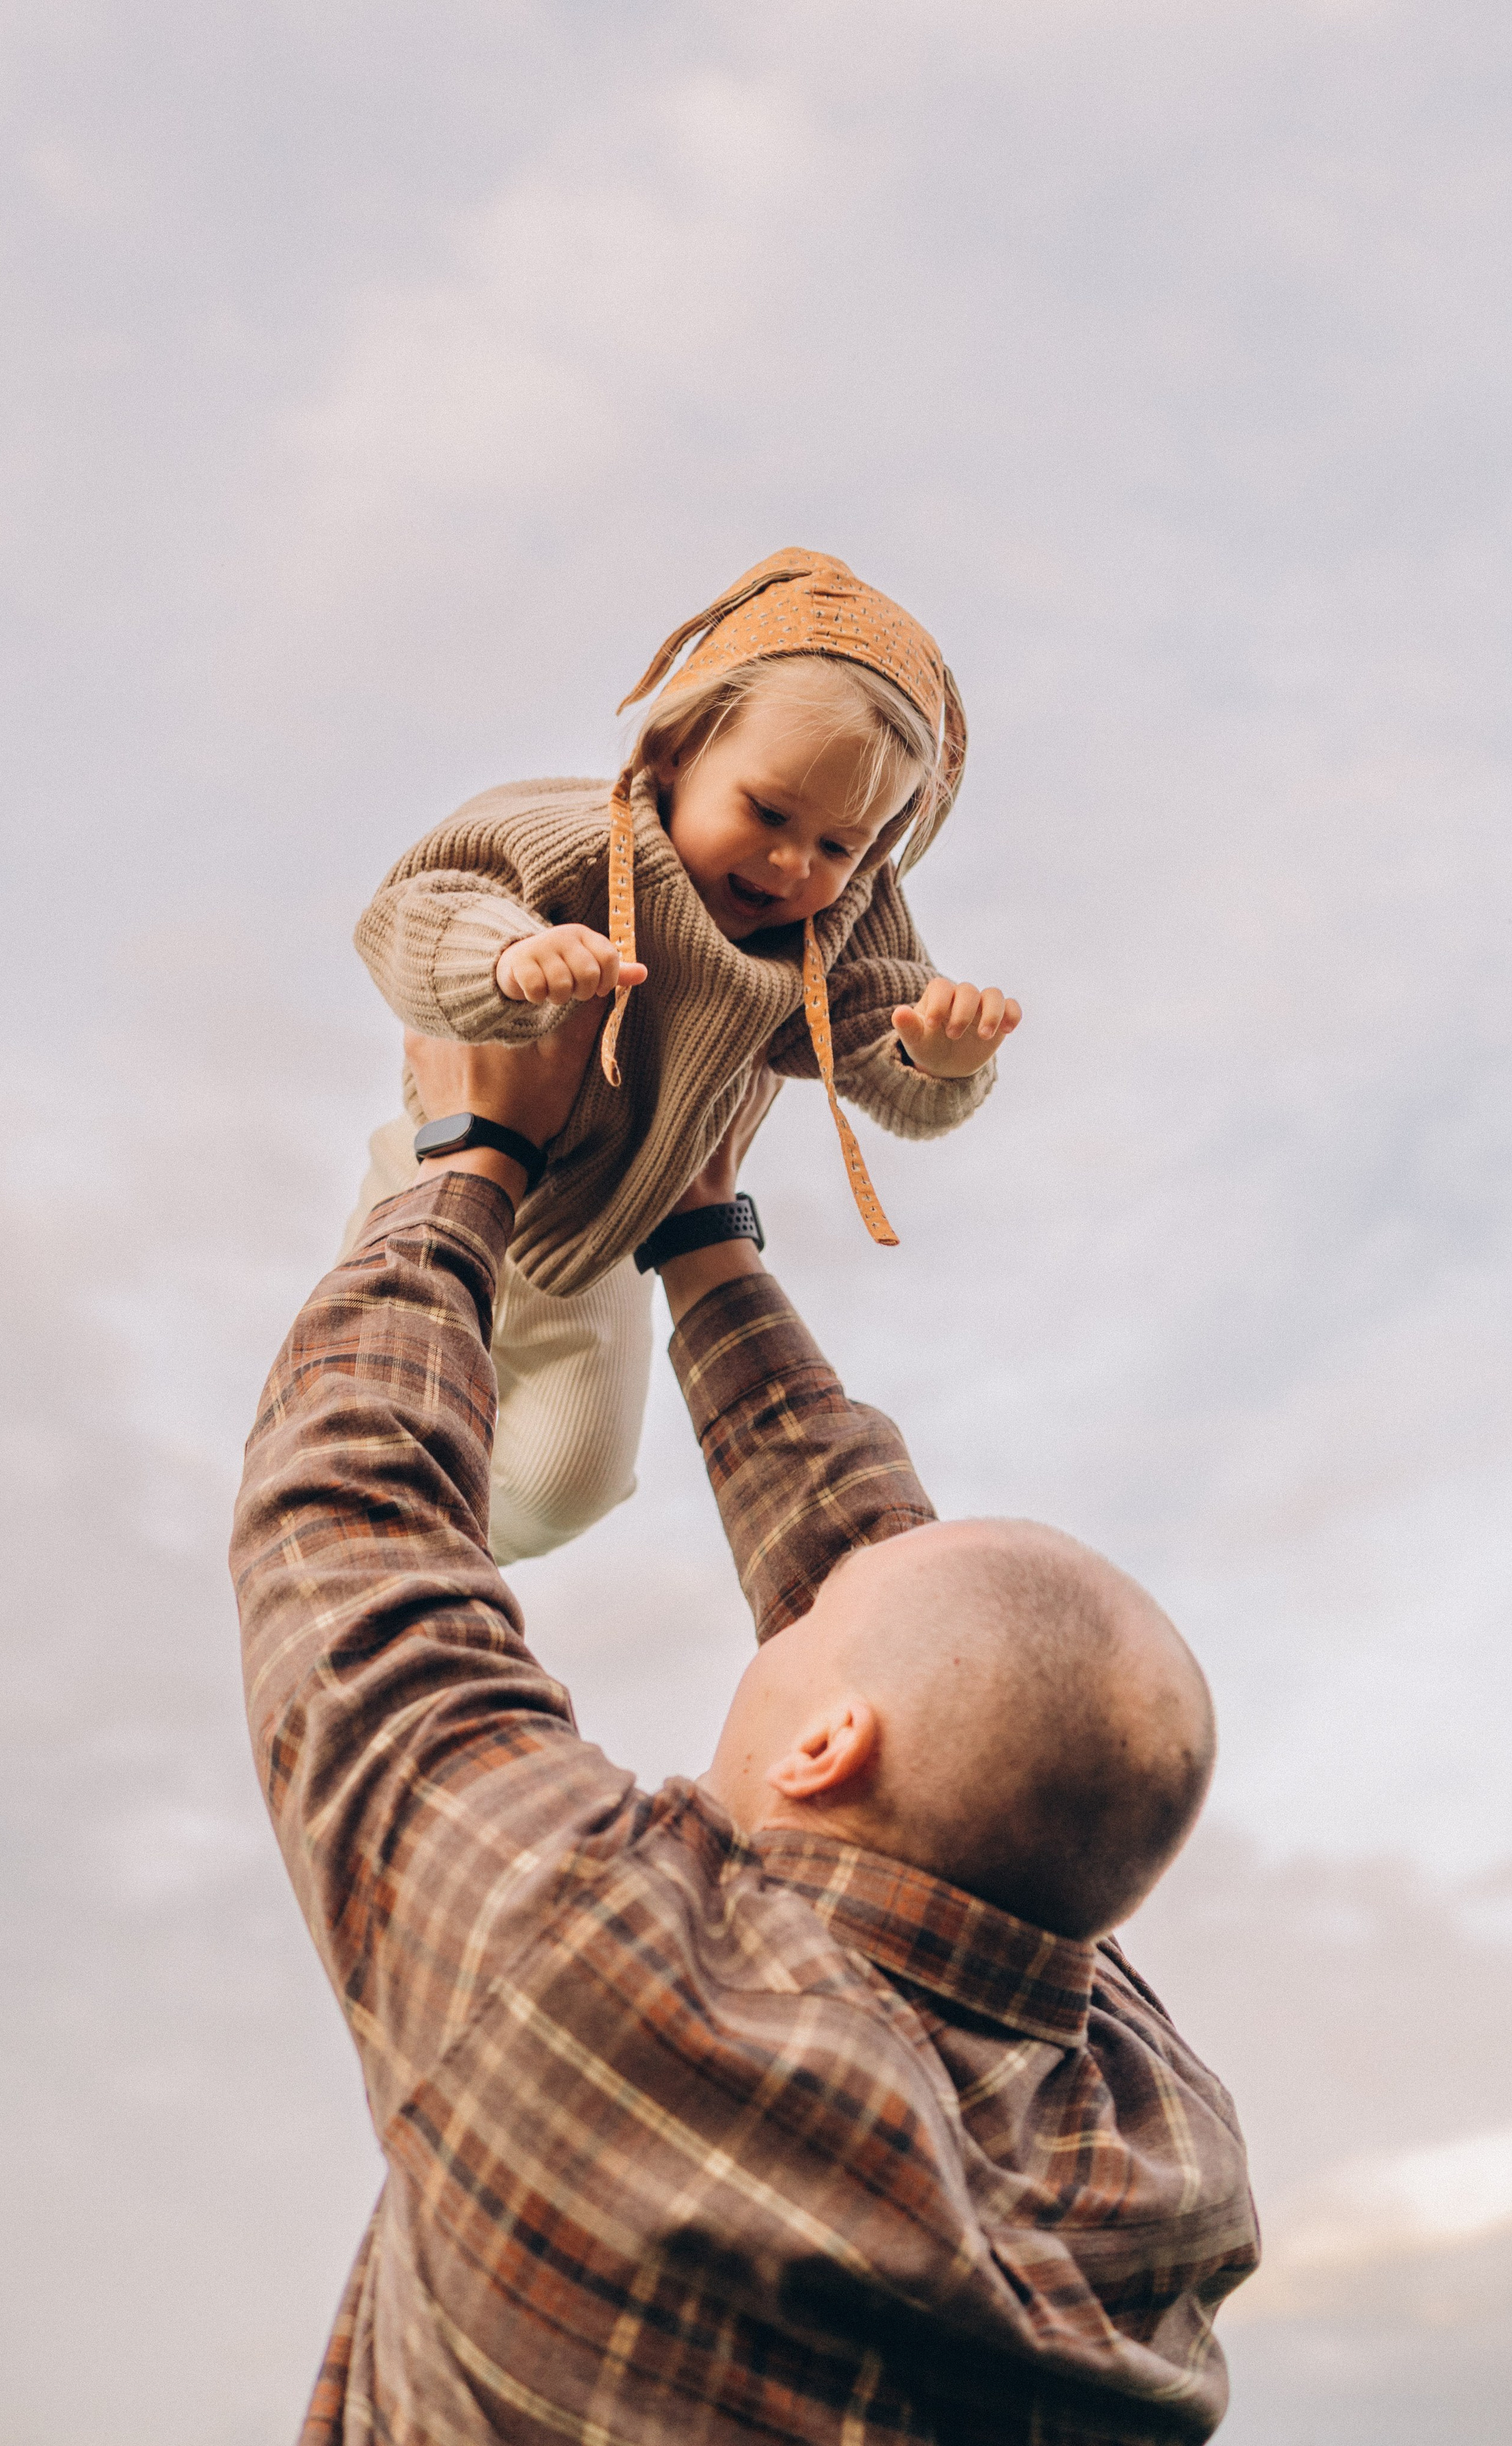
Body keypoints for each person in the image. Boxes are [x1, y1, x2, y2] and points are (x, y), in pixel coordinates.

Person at [232, 1014, 1260, 2446]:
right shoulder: (1163, 2171)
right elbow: (954, 1667)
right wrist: (702, 1231)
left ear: (827, 1746)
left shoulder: (604, 1980)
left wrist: (470, 1153)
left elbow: (352, 1524)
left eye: (810, 1624)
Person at [341, 547, 1022, 1563]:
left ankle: (440, 1543)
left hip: (613, 1224)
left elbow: (882, 1049)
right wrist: (512, 956)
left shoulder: (829, 936)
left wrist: (941, 1060)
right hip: (440, 1150)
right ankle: (351, 1500)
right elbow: (417, 912)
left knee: (573, 1482)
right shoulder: (579, 838)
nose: (795, 864)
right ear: (676, 753)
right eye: (770, 813)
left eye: (842, 847)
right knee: (379, 1380)